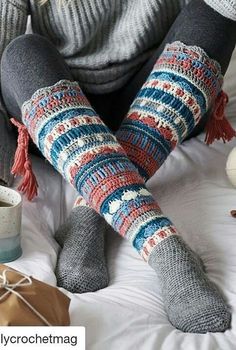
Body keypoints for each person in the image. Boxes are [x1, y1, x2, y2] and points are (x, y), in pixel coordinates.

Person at [0, 0, 236, 333]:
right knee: (20, 52)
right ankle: (161, 243)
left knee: (218, 12)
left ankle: (90, 212)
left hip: (158, 98)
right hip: (61, 109)